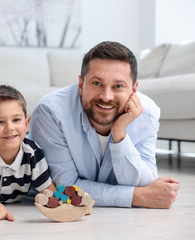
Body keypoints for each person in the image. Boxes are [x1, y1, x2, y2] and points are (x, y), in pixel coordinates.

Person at [29, 41, 179, 209]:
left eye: (118, 86)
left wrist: (119, 134)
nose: (106, 96)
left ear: (134, 89)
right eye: (97, 83)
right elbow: (65, 188)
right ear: (81, 84)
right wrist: (136, 196)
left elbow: (145, 181)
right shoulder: (51, 113)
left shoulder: (147, 114)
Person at [0, 85, 56, 223]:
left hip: (13, 202)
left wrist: (69, 206)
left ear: (27, 124)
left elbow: (48, 191)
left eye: (16, 120)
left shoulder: (33, 152)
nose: (9, 128)